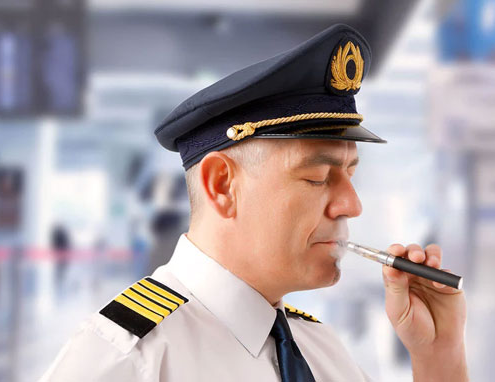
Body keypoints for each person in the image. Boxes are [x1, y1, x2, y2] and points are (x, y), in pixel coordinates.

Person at [41, 24, 468, 381]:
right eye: (318, 176)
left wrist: (438, 356)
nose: (351, 205)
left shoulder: (323, 353)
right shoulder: (124, 364)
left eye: (350, 175)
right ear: (222, 185)